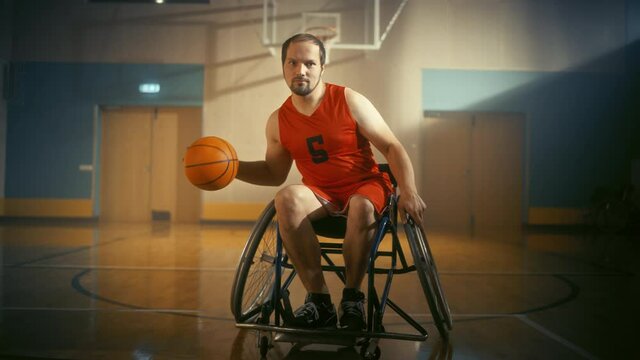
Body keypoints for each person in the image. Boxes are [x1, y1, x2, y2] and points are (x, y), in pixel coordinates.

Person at [236, 33, 426, 330]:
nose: (301, 70)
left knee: (362, 205)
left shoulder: (348, 99)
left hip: (365, 185)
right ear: (284, 67)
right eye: (293, 62)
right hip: (321, 193)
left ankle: (352, 298)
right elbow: (274, 173)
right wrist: (231, 168)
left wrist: (410, 191)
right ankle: (319, 301)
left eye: (309, 63)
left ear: (322, 67)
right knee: (285, 198)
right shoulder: (278, 120)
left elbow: (392, 147)